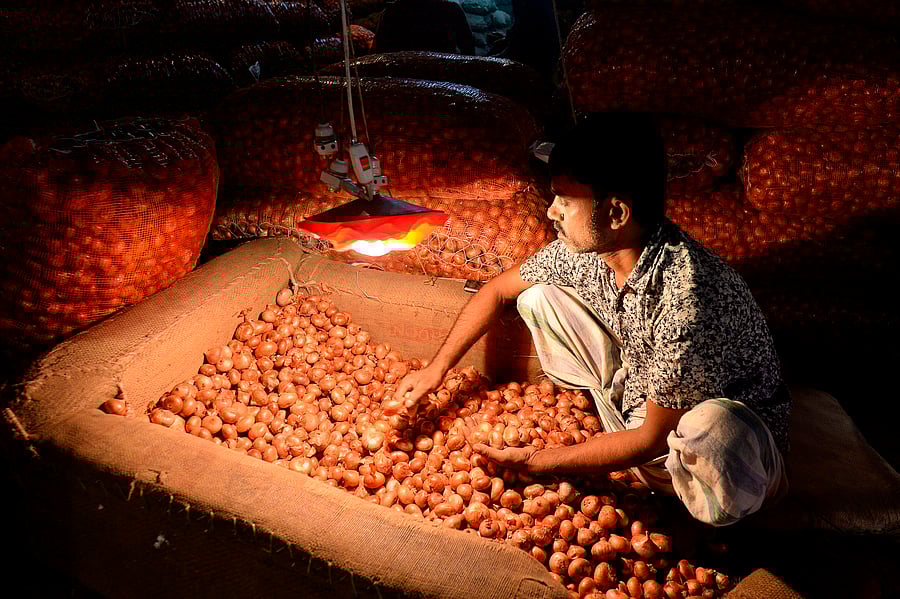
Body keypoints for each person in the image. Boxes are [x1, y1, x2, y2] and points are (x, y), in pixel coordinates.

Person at [391, 114, 792, 526]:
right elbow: (496, 290)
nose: (551, 212)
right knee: (538, 297)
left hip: (702, 427)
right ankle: (622, 453)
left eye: (565, 200)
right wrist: (436, 370)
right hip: (641, 396)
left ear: (617, 213)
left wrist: (542, 461)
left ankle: (716, 496)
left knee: (714, 435)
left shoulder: (687, 299)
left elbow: (651, 438)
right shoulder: (591, 251)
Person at [374, 0, 476, 55]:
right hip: (444, 83)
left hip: (401, 84)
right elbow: (469, 51)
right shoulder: (452, 10)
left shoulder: (391, 13)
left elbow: (377, 54)